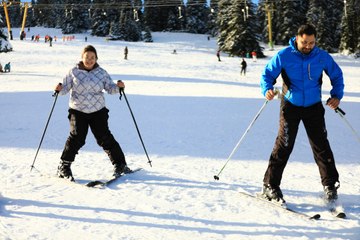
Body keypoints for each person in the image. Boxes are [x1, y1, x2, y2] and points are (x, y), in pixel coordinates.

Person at [260, 24, 344, 203]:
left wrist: (336, 95)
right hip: (291, 105)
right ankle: (270, 185)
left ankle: (330, 185)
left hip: (314, 106)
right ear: (297, 39)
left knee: (321, 145)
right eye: (304, 42)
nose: (308, 46)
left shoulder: (321, 56)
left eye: (311, 43)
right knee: (284, 144)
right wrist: (267, 89)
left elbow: (337, 76)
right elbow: (267, 75)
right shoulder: (284, 56)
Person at [54, 45, 132, 181]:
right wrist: (59, 89)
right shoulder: (73, 72)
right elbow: (64, 89)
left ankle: (120, 165)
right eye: (87, 57)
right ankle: (64, 167)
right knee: (76, 137)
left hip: (98, 111)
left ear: (96, 58)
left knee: (105, 137)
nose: (89, 60)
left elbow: (110, 88)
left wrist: (119, 87)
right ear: (82, 57)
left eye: (92, 57)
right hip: (78, 110)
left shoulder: (101, 72)